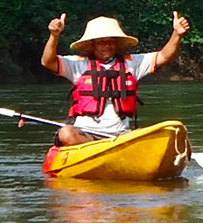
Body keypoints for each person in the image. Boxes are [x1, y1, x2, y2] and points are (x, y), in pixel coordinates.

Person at [41, 12, 190, 145]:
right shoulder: (78, 64)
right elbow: (48, 62)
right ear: (92, 44)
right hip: (86, 136)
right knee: (65, 132)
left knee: (161, 133)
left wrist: (177, 34)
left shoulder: (131, 63)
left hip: (122, 136)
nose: (107, 46)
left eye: (111, 41)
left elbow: (164, 56)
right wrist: (54, 36)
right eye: (101, 42)